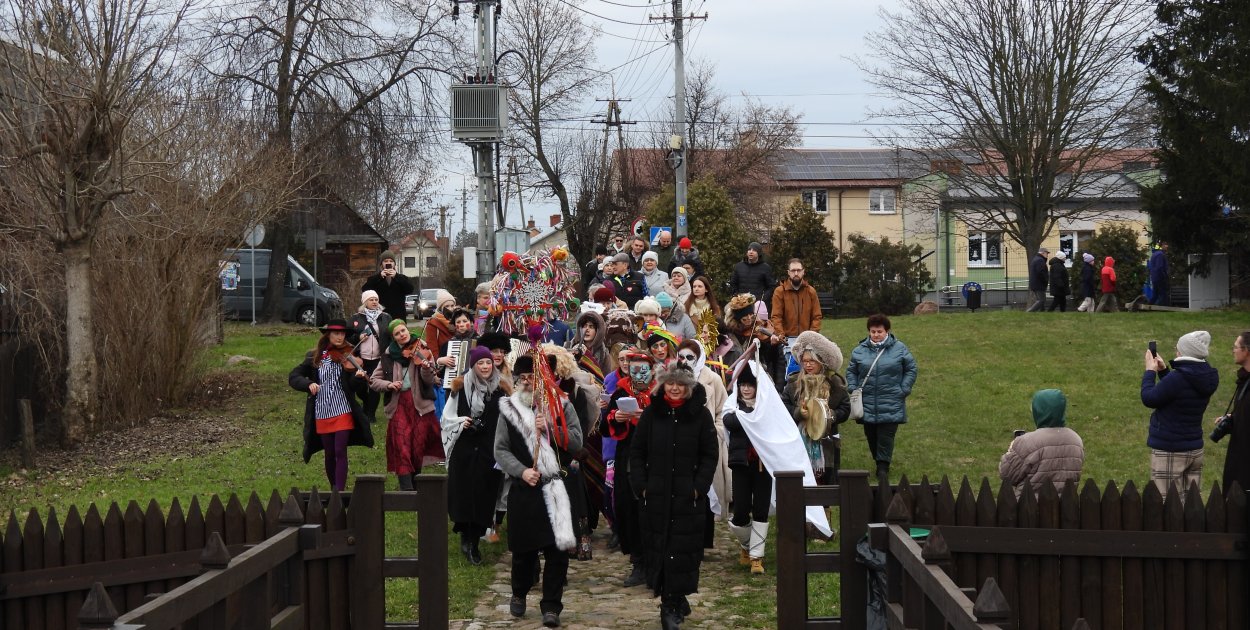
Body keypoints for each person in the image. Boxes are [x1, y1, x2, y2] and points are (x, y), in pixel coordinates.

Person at [495, 354, 584, 627]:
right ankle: (519, 592)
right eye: (521, 378)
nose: (526, 383)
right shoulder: (509, 410)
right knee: (524, 550)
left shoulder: (563, 406)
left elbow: (577, 443)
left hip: (557, 487)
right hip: (526, 487)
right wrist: (521, 470)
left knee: (558, 552)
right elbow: (500, 450)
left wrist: (552, 429)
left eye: (531, 378)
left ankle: (552, 606)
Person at [628, 363, 719, 629]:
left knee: (682, 551)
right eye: (670, 383)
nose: (675, 388)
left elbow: (709, 455)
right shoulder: (652, 414)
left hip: (687, 497)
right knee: (661, 548)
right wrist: (641, 485)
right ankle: (671, 600)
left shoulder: (700, 415)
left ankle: (673, 601)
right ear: (663, 384)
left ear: (689, 386)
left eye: (680, 384)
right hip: (655, 495)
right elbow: (637, 451)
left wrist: (698, 487)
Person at [289, 319, 375, 491]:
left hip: (342, 408)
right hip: (322, 410)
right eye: (336, 333)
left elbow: (352, 387)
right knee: (329, 453)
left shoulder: (349, 354)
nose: (339, 337)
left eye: (342, 334)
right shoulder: (315, 356)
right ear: (328, 335)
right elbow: (294, 376)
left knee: (340, 450)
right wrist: (308, 384)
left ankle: (340, 491)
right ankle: (333, 488)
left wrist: (358, 378)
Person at [441, 346, 508, 565]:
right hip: (465, 450)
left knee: (484, 495)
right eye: (481, 363)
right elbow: (447, 418)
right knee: (464, 494)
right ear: (473, 366)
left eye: (488, 362)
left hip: (489, 451)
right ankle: (466, 538)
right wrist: (462, 422)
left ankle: (475, 540)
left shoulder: (502, 390)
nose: (486, 366)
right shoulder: (460, 388)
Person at [1142, 331, 1219, 498]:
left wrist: (1150, 372)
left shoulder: (1178, 378)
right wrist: (1164, 372)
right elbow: (1181, 393)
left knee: (1166, 504)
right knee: (1191, 503)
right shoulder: (1206, 377)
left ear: (1185, 352)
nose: (1176, 351)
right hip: (1194, 448)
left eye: (1178, 348)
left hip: (1170, 449)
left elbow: (1149, 398)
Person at [370, 319, 443, 489]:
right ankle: (406, 490)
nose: (401, 335)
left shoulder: (422, 349)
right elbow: (373, 380)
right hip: (399, 405)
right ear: (393, 337)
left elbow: (429, 380)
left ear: (407, 330)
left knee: (417, 447)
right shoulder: (388, 356)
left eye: (403, 330)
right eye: (397, 333)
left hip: (419, 405)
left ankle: (416, 486)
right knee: (401, 445)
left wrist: (426, 368)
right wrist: (389, 385)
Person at [846, 314, 918, 484]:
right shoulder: (859, 350)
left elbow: (911, 368)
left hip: (891, 399)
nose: (876, 334)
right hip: (867, 401)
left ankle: (883, 467)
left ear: (887, 331)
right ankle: (878, 459)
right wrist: (853, 387)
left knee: (886, 435)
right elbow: (851, 371)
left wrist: (904, 389)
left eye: (879, 331)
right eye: (873, 331)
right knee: (871, 434)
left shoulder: (900, 348)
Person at [606, 351, 657, 588]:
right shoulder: (621, 392)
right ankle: (638, 562)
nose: (638, 375)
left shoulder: (661, 392)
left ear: (652, 371)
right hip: (628, 459)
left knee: (654, 512)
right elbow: (605, 426)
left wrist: (648, 417)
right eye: (634, 370)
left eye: (643, 370)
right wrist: (616, 417)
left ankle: (656, 562)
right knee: (631, 510)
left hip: (656, 460)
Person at [781, 331, 849, 486]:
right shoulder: (793, 383)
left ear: (822, 362)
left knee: (826, 481)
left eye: (812, 361)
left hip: (827, 440)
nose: (808, 365)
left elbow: (845, 408)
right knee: (801, 480)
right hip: (799, 439)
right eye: (805, 361)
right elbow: (784, 406)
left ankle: (826, 502)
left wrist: (830, 415)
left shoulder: (835, 383)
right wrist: (798, 412)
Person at [676, 339, 731, 522]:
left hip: (707, 441)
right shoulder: (673, 379)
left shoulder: (713, 379)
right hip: (680, 441)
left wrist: (716, 432)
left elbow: (724, 410)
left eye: (690, 357)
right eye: (681, 357)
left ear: (699, 358)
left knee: (707, 485)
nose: (685, 361)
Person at [723, 368, 771, 574]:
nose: (746, 389)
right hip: (741, 464)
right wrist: (750, 417)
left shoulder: (766, 406)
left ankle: (756, 558)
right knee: (741, 510)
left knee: (761, 509)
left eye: (750, 385)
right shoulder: (732, 406)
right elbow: (729, 421)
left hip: (762, 465)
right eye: (743, 385)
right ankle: (746, 545)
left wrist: (754, 416)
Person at [998, 389, 1084, 495]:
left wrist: (1011, 450)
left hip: (1030, 503)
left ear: (1038, 411)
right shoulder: (1076, 440)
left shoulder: (1027, 442)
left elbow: (1007, 475)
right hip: (1066, 504)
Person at [349, 290, 392, 422]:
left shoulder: (385, 317)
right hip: (360, 359)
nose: (374, 302)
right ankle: (366, 403)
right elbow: (347, 337)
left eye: (376, 299)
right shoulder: (356, 318)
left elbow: (391, 335)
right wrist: (358, 337)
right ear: (365, 302)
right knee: (360, 386)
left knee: (374, 386)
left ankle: (371, 414)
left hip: (378, 358)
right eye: (371, 299)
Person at [1218, 332, 1250, 493]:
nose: (1233, 350)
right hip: (1240, 456)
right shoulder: (1245, 381)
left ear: (1247, 351)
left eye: (1236, 347)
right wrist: (1233, 418)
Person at [770, 259, 821, 341]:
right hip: (786, 339)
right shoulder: (780, 292)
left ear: (803, 272)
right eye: (793, 270)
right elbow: (776, 317)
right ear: (788, 272)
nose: (796, 273)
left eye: (799, 270)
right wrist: (781, 336)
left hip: (807, 339)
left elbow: (816, 317)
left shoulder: (811, 292)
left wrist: (811, 336)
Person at [362, 251, 414, 320]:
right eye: (385, 261)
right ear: (381, 264)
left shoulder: (402, 278)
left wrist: (396, 276)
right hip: (380, 316)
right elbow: (365, 289)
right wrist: (379, 277)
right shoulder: (375, 278)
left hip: (398, 316)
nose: (388, 263)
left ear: (394, 264)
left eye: (391, 261)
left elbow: (410, 289)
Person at [571, 310, 612, 384]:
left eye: (591, 327)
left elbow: (605, 381)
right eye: (584, 326)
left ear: (598, 331)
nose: (587, 329)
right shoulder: (570, 347)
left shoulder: (603, 354)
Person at [1026, 247, 1049, 312]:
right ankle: (1029, 312)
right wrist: (1045, 279)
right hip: (1039, 284)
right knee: (1041, 300)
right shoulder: (1040, 260)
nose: (1047, 255)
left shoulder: (1037, 259)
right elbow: (1041, 272)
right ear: (1043, 253)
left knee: (1041, 299)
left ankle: (1042, 312)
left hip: (1036, 283)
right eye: (1047, 253)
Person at [1149, 241, 1170, 306]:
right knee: (1163, 294)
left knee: (1155, 295)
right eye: (1165, 244)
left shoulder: (1154, 254)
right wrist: (1164, 276)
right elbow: (1159, 267)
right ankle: (1163, 308)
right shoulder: (1160, 255)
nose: (1167, 246)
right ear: (1161, 246)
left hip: (1154, 277)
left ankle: (1149, 306)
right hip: (1160, 278)